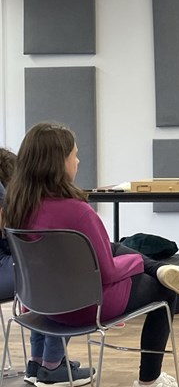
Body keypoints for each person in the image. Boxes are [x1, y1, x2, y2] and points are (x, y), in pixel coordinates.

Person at [0, 123, 179, 387]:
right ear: (59, 162)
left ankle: (38, 366)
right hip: (84, 307)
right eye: (74, 155)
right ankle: (151, 379)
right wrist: (136, 261)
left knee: (111, 246)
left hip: (37, 305)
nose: (78, 161)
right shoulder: (78, 212)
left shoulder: (17, 207)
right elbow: (107, 273)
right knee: (165, 289)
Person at [0, 147, 95, 387]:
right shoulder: (9, 199)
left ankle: (38, 363)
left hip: (14, 268)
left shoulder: (18, 201)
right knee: (60, 280)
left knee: (45, 276)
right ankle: (52, 366)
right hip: (6, 269)